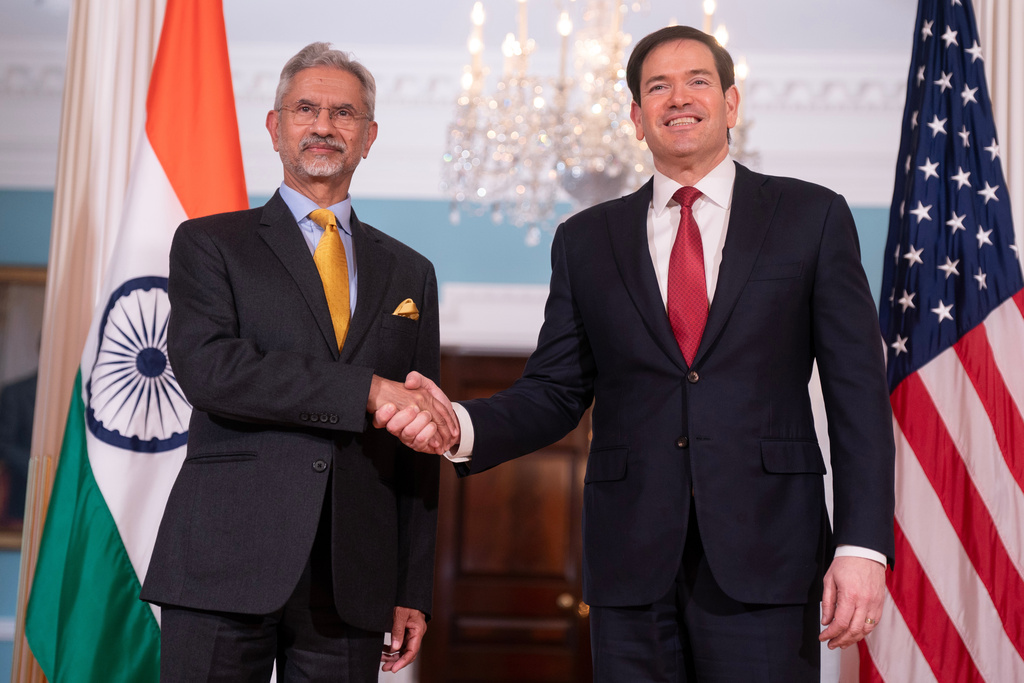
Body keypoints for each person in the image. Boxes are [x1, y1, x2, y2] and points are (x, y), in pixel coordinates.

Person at [378, 26, 895, 682]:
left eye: (697, 81)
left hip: (770, 557)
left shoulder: (811, 217)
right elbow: (556, 389)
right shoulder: (586, 239)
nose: (678, 97)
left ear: (731, 104)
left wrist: (862, 544)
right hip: (630, 567)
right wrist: (462, 424)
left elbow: (857, 396)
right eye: (658, 86)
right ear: (635, 116)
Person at [141, 42, 457, 682]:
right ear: (275, 126)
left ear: (368, 137)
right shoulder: (209, 244)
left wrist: (411, 585)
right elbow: (211, 370)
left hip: (353, 578)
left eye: (344, 114)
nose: (323, 125)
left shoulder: (411, 271)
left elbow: (418, 441)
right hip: (223, 561)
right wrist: (367, 390)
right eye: (306, 108)